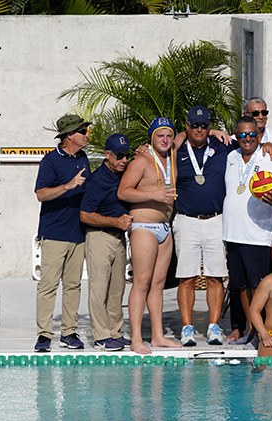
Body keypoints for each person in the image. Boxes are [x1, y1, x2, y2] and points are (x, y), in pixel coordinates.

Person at [223, 115, 272, 348]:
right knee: (240, 287)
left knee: (258, 287)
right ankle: (251, 333)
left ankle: (263, 333)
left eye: (252, 134)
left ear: (259, 134)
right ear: (236, 136)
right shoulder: (231, 156)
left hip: (258, 234)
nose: (248, 138)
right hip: (232, 233)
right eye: (242, 134)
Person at [117, 117, 182, 354]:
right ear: (150, 138)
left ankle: (157, 336)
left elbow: (188, 133)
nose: (164, 140)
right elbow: (123, 192)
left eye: (168, 135)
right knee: (141, 283)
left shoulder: (172, 153)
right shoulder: (142, 160)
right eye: (159, 136)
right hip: (144, 227)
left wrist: (215, 130)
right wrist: (155, 195)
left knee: (158, 284)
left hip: (165, 228)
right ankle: (136, 338)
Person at [173, 106, 235, 346]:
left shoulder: (222, 146)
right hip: (186, 219)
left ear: (209, 127)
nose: (199, 129)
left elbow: (252, 139)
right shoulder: (176, 149)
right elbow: (160, 143)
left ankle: (214, 326)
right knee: (186, 277)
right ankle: (187, 328)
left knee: (216, 276)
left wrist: (269, 146)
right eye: (194, 125)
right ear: (187, 126)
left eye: (204, 125)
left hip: (216, 220)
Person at [33, 114, 91, 352]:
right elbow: (41, 194)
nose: (87, 135)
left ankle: (69, 332)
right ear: (70, 135)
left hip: (78, 233)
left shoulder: (83, 158)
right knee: (48, 285)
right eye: (83, 131)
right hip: (54, 233)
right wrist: (68, 185)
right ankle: (44, 335)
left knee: (73, 285)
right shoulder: (50, 161)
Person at [79, 133, 134, 351]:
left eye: (127, 155)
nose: (123, 160)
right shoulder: (98, 180)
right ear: (107, 155)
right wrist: (116, 221)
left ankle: (114, 332)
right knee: (99, 289)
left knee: (117, 289)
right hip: (99, 236)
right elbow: (85, 214)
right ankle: (101, 336)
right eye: (119, 156)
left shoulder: (126, 173)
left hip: (119, 237)